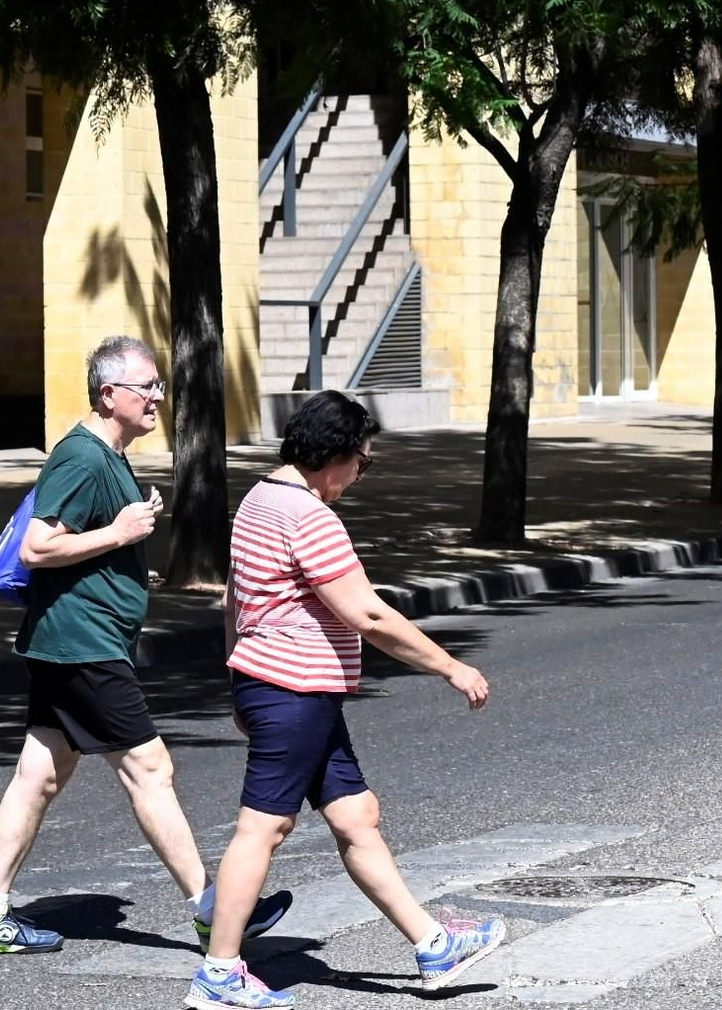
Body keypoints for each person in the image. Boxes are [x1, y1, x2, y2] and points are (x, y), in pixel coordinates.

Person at [0, 335, 291, 956]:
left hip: (72, 641)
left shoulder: (108, 455)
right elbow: (37, 547)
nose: (158, 397)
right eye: (148, 387)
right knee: (150, 769)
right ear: (109, 394)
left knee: (38, 775)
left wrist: (129, 532)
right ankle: (214, 911)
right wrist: (120, 532)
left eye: (160, 385)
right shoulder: (81, 458)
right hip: (82, 645)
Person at [184, 390, 503, 1009]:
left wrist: (237, 677)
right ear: (334, 455)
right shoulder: (309, 517)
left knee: (357, 815)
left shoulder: (258, 499)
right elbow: (368, 614)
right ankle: (220, 973)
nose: (360, 473)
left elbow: (234, 602)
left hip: (279, 686)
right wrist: (450, 667)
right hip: (294, 690)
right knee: (263, 829)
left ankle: (433, 944)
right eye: (362, 461)